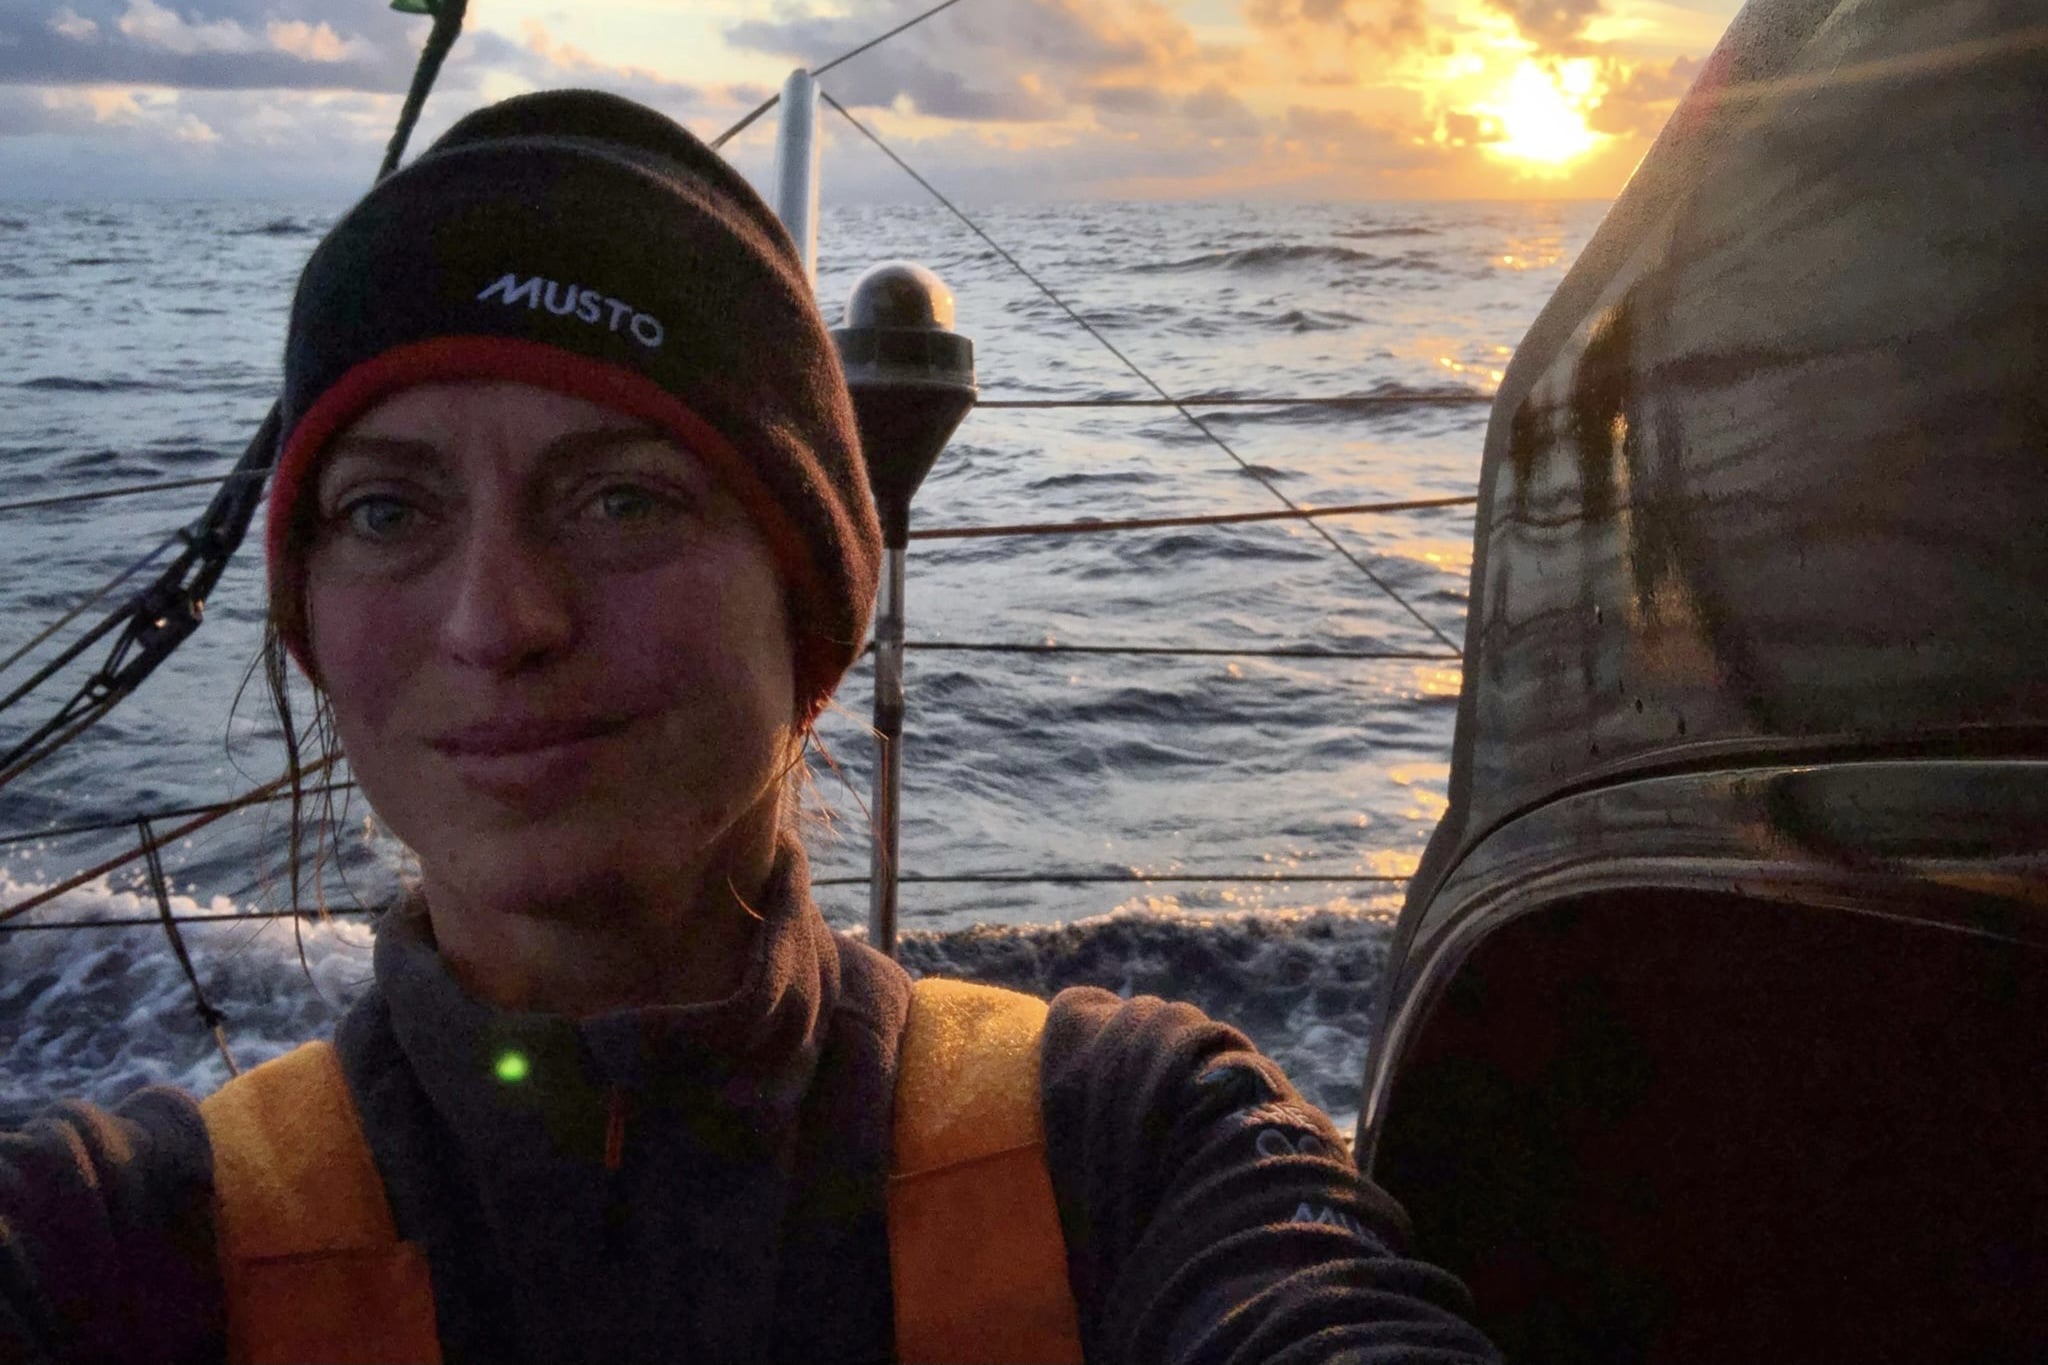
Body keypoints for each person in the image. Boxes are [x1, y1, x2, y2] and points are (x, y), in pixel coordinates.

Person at [0, 90, 1502, 1365]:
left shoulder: (1135, 1149)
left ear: (812, 597)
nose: (497, 618)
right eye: (388, 509)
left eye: (624, 496)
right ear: (308, 620)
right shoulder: (121, 1237)